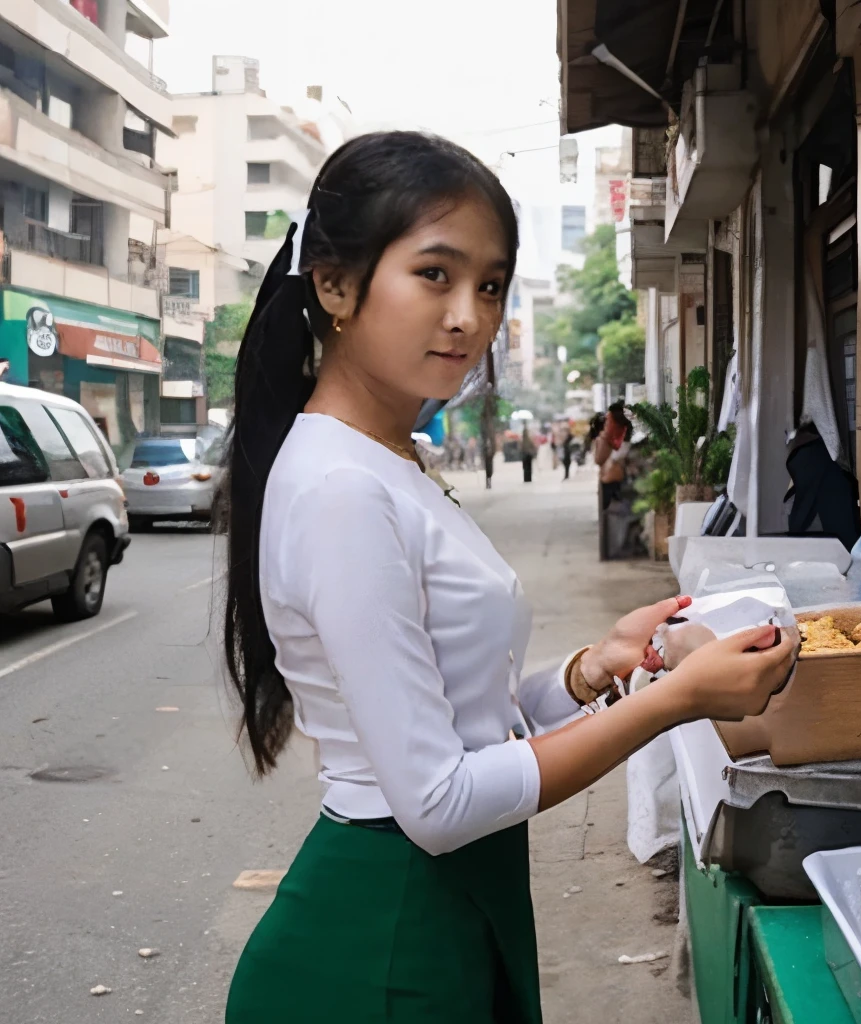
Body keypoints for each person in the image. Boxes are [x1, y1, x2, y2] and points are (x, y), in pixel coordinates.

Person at [222, 130, 796, 1023]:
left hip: (447, 907)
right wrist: (673, 700)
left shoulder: (388, 459)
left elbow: (465, 718)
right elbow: (440, 801)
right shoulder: (340, 487)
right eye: (436, 275)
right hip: (381, 945)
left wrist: (595, 671)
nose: (470, 316)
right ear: (334, 285)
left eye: (490, 285)